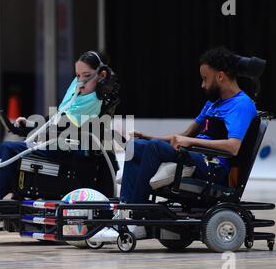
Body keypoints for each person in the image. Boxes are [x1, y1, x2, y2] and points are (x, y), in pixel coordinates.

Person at [92, 46, 258, 242]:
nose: (202, 85)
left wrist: (188, 141)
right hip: (197, 156)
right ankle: (122, 215)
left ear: (220, 77)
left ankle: (136, 220)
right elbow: (184, 135)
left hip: (214, 167)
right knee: (136, 145)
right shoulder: (213, 103)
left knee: (153, 148)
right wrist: (148, 136)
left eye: (205, 78)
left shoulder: (242, 105)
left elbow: (233, 146)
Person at [0, 51, 110, 199]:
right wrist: (30, 124)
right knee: (12, 150)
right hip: (61, 144)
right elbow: (59, 114)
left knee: (9, 148)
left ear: (101, 76)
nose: (80, 81)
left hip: (71, 152)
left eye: (86, 76)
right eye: (78, 75)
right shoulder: (78, 87)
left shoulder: (94, 100)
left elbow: (62, 125)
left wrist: (35, 130)